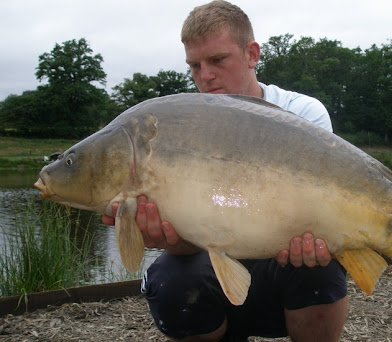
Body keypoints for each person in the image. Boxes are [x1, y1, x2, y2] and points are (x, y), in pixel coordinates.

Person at [103, 1, 348, 341]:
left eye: (217, 60)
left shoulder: (302, 112)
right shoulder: (182, 125)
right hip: (214, 264)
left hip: (282, 268)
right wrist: (172, 240)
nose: (205, 75)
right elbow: (195, 237)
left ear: (251, 54)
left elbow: (323, 211)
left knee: (321, 269)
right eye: (194, 65)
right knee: (170, 279)